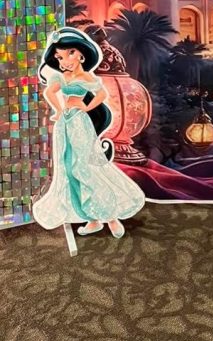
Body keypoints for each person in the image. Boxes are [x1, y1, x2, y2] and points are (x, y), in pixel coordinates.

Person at [32, 27, 145, 238]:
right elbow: (50, 92)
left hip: (80, 123)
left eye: (70, 53)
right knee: (69, 169)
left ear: (81, 54)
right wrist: (59, 110)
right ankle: (92, 219)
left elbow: (101, 95)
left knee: (86, 168)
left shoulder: (88, 78)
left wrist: (86, 107)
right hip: (64, 124)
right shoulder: (61, 77)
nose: (65, 60)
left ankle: (111, 217)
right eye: (59, 57)